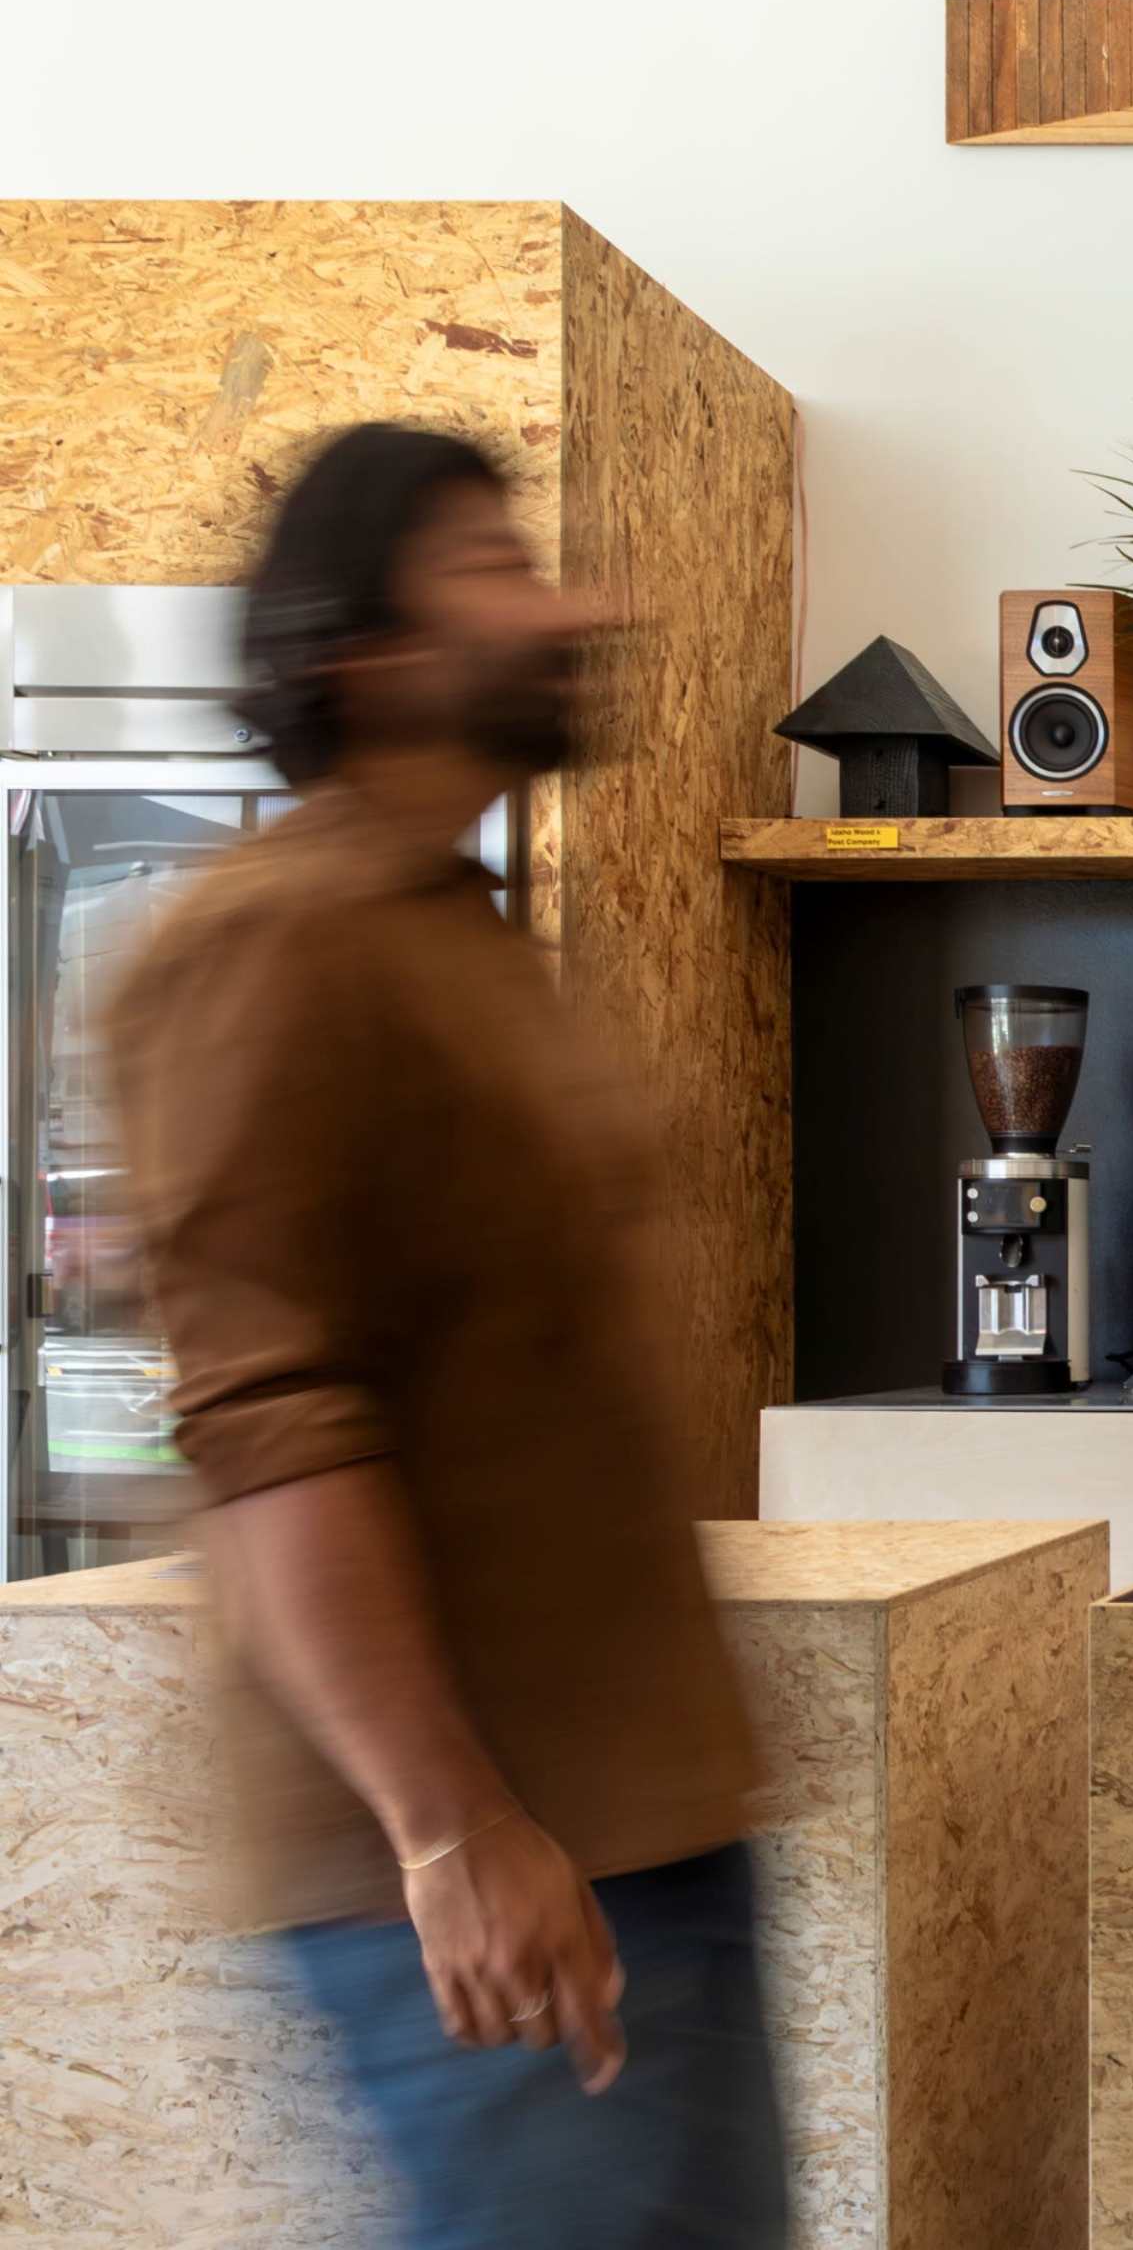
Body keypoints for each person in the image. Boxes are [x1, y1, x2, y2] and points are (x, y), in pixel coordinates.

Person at [107, 424, 786, 2250]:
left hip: (630, 1829)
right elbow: (270, 1424)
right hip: (490, 1873)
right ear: (363, 651)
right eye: (498, 569)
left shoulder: (456, 932)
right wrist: (448, 1825)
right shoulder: (275, 945)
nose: (584, 601)